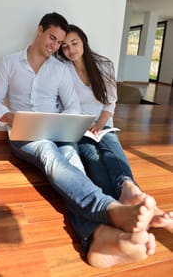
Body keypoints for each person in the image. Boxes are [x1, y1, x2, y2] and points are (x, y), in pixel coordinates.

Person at [0, 12, 156, 268]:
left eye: (60, 42)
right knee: (48, 154)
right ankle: (109, 208)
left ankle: (97, 238)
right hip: (25, 134)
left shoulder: (60, 69)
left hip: (57, 131)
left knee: (73, 162)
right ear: (40, 30)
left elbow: (73, 106)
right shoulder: (8, 63)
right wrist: (8, 116)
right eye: (52, 38)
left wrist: (63, 123)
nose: (55, 47)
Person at [57, 24, 173, 230]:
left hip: (103, 123)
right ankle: (130, 208)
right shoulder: (63, 69)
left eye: (74, 43)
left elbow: (110, 102)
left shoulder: (103, 65)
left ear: (83, 40)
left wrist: (100, 124)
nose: (71, 50)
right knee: (94, 160)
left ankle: (130, 189)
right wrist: (84, 127)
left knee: (112, 151)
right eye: (65, 47)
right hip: (80, 128)